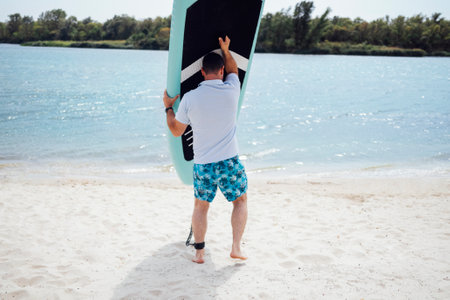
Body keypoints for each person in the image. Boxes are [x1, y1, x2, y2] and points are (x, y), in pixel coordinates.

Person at [163, 36, 248, 264]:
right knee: (240, 201)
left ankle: (199, 253)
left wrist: (168, 107)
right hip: (229, 161)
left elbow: (175, 130)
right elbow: (234, 70)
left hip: (203, 164)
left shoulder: (190, 99)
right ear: (221, 71)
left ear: (201, 72)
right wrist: (226, 50)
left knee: (201, 206)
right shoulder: (232, 89)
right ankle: (236, 247)